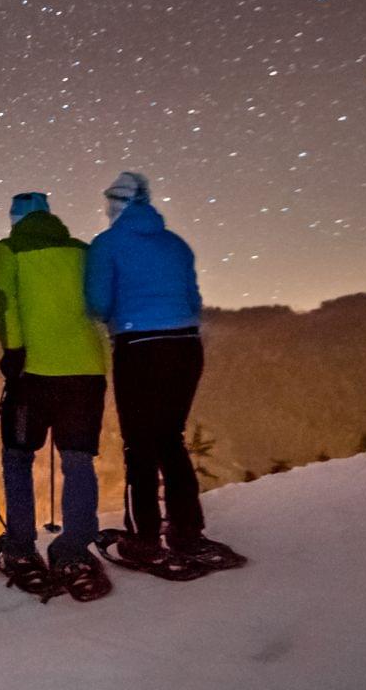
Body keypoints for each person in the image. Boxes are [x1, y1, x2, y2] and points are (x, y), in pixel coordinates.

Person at [86, 172, 241, 572]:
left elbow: (98, 302)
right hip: (187, 345)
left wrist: (115, 318)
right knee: (170, 438)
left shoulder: (106, 245)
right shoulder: (176, 244)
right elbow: (193, 298)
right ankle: (187, 531)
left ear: (116, 204)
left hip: (139, 347)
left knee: (139, 443)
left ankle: (144, 538)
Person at [0, 192, 112, 601]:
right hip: (86, 372)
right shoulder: (82, 250)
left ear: (16, 219)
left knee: (18, 457)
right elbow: (100, 303)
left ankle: (21, 547)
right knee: (77, 460)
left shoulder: (7, 250)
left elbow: (1, 300)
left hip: (33, 375)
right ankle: (73, 552)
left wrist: (14, 350)